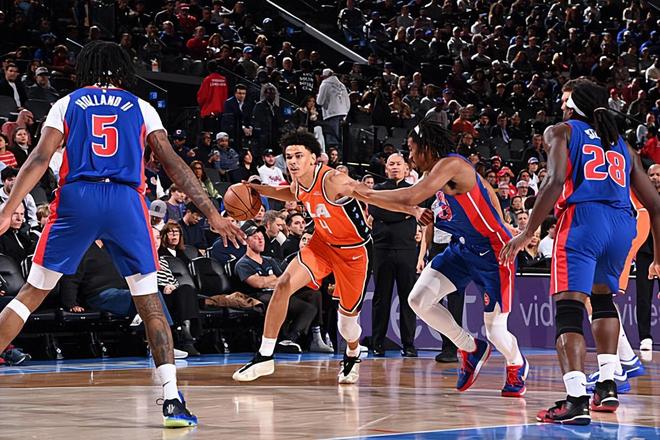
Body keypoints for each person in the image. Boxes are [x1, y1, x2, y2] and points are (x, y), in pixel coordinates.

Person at [0, 41, 243, 428]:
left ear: (86, 68)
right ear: (121, 69)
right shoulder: (141, 107)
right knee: (149, 302)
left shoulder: (67, 103)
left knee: (30, 294)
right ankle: (171, 400)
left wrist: (8, 208)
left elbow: (40, 158)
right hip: (126, 201)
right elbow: (172, 162)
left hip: (78, 197)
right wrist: (212, 213)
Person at [500, 78, 660, 425]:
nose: (561, 105)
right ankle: (607, 385)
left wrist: (527, 231)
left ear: (575, 105)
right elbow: (656, 205)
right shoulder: (622, 144)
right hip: (622, 224)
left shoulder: (562, 131)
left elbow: (555, 180)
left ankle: (575, 400)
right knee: (602, 301)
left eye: (565, 100)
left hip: (583, 220)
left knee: (569, 309)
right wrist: (659, 257)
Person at [355, 119, 528, 398]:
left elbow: (410, 195)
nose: (410, 156)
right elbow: (485, 191)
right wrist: (366, 196)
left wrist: (364, 193)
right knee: (417, 300)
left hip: (494, 253)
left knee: (496, 331)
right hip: (462, 249)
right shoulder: (434, 174)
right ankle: (470, 347)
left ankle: (516, 364)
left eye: (412, 149)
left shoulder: (453, 165)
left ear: (426, 147)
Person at [233, 129, 421, 384]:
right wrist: (257, 189)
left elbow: (372, 196)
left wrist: (413, 210)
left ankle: (353, 352)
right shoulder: (299, 181)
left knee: (347, 325)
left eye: (299, 156)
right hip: (321, 245)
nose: (293, 162)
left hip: (354, 252)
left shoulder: (333, 180)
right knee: (284, 283)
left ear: (313, 158)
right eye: (288, 157)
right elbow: (290, 192)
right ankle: (265, 356)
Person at [369, 153, 418, 357]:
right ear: (386, 168)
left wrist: (391, 210)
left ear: (406, 168)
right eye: (391, 164)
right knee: (381, 298)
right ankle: (377, 343)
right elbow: (376, 211)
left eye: (399, 163)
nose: (395, 167)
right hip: (382, 249)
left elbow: (415, 210)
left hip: (407, 250)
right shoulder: (378, 189)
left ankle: (409, 344)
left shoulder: (413, 190)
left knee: (409, 298)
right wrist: (405, 212)